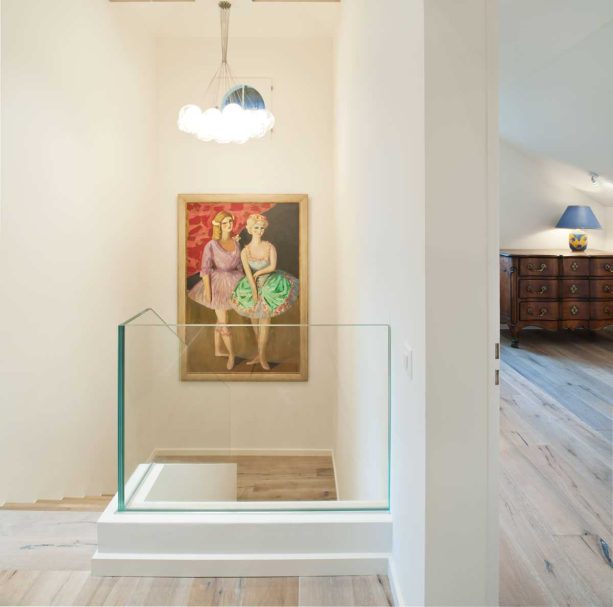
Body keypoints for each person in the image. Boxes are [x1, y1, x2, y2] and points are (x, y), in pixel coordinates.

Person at [231, 214, 299, 370]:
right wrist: (254, 290)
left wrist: (258, 274)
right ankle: (259, 354)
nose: (259, 231)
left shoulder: (270, 247)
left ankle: (262, 356)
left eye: (261, 228)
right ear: (249, 229)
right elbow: (248, 273)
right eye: (256, 228)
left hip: (271, 284)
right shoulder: (245, 251)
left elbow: (272, 267)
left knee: (265, 320)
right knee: (254, 319)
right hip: (250, 285)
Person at [188, 211, 243, 370]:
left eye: (230, 222)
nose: (228, 225)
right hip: (217, 283)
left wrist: (244, 284)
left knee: (221, 319)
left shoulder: (236, 243)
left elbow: (239, 266)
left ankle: (218, 350)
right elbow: (205, 269)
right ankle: (232, 354)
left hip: (234, 281)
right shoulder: (211, 245)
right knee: (224, 320)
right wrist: (207, 290)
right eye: (224, 223)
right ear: (219, 225)